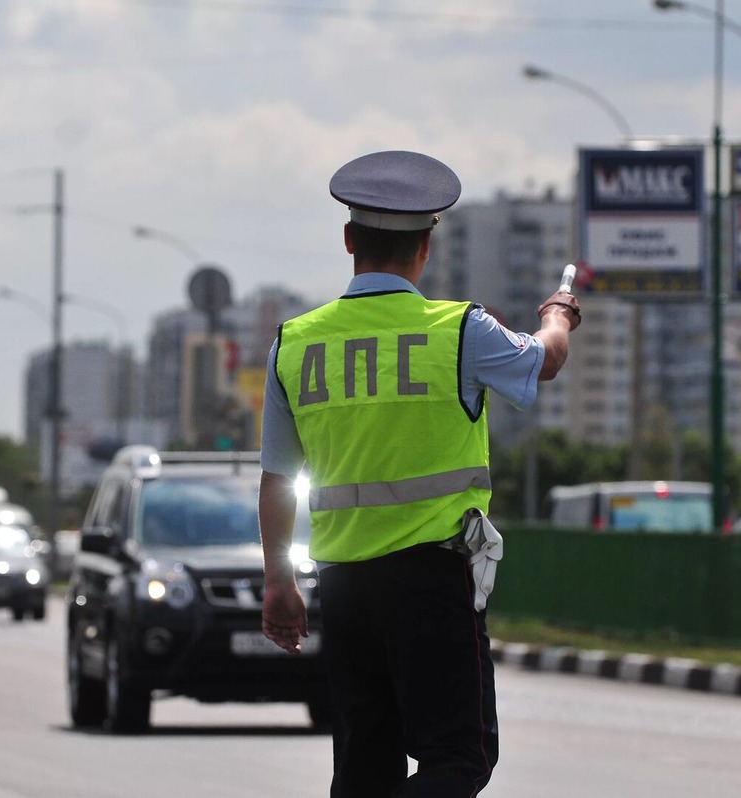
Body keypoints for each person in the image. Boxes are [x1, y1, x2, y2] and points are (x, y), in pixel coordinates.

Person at [258, 150, 580, 797]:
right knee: (459, 757)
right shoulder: (459, 330)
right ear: (427, 246)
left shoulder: (295, 342)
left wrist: (278, 583)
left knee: (363, 767)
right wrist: (558, 315)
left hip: (343, 585)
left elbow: (274, 479)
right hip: (432, 582)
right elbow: (544, 362)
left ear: (349, 240)